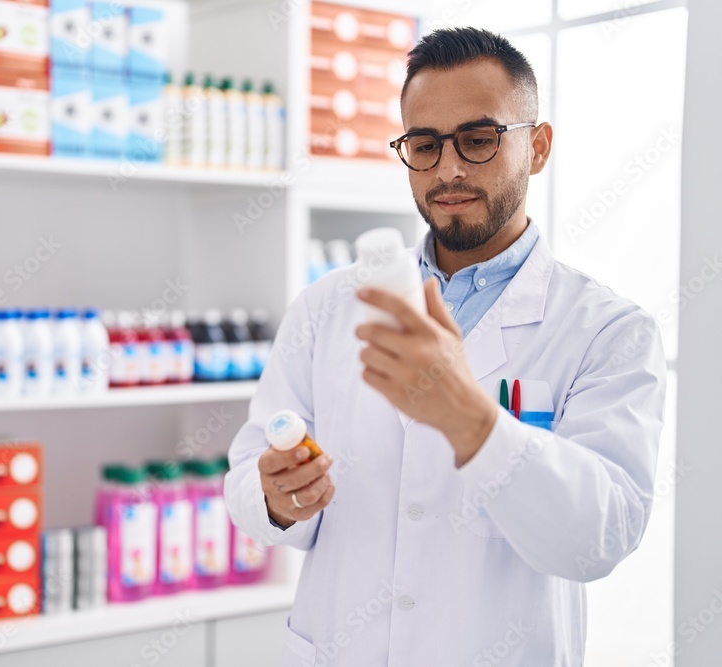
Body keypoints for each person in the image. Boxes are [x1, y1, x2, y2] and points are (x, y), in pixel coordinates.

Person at [224, 27, 667, 666]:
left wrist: (469, 417)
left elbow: (600, 537)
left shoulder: (608, 331)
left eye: (479, 140)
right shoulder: (327, 308)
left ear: (538, 147)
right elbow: (249, 472)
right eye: (425, 145)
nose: (449, 169)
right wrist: (275, 498)